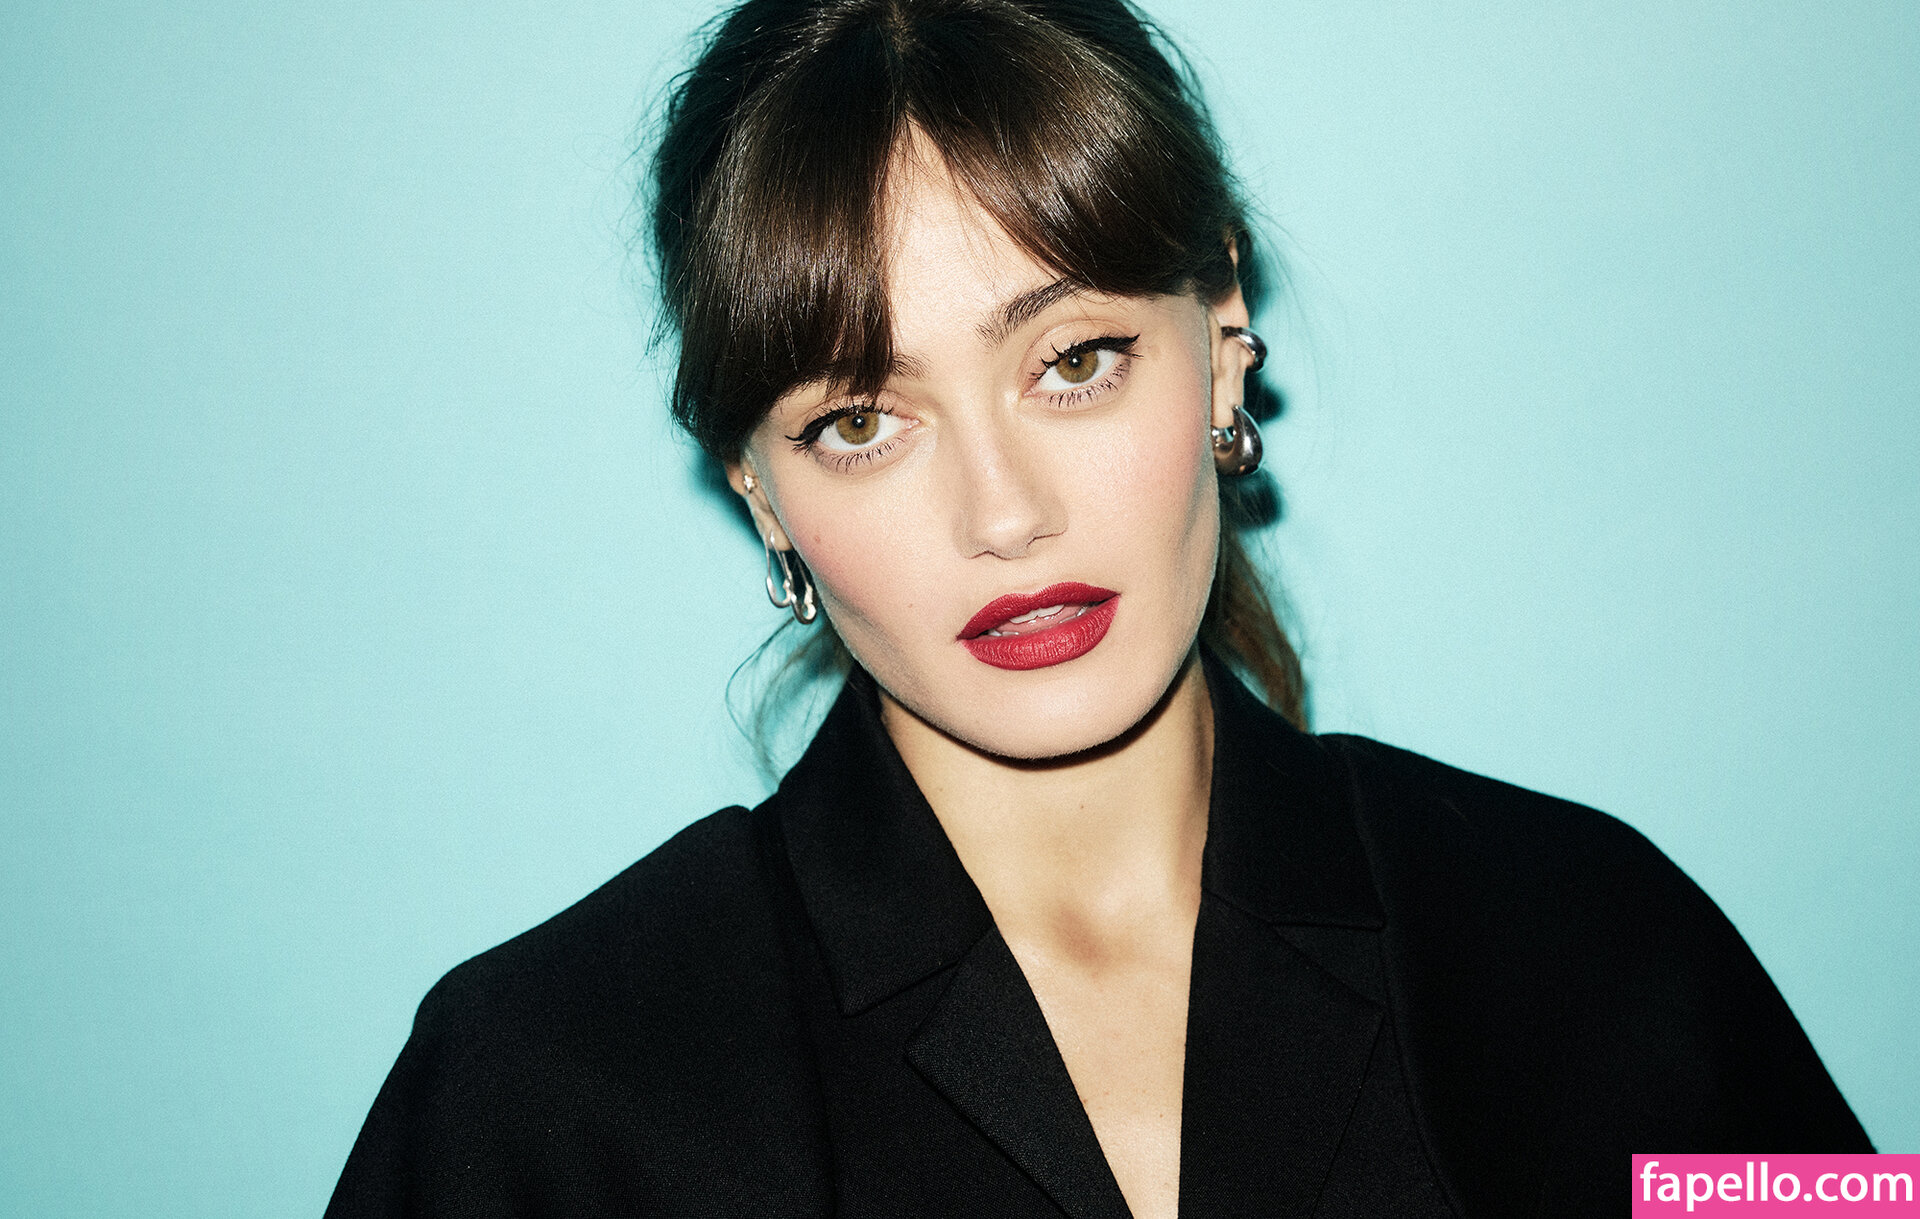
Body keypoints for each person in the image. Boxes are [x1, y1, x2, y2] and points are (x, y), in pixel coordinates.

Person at [326, 0, 1871, 1214]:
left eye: (1074, 361)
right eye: (860, 420)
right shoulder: (542, 1094)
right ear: (760, 491)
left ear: (1224, 332)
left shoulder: (1598, 943)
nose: (1004, 516)